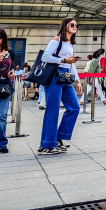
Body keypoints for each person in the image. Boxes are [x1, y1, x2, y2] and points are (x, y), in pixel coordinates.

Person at [38, 18, 83, 155]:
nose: (75, 26)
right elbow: (45, 57)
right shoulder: (57, 40)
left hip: (66, 76)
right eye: (72, 24)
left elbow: (71, 63)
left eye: (76, 25)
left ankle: (58, 138)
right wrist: (63, 60)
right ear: (65, 26)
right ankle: (46, 145)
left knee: (74, 107)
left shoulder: (70, 43)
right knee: (52, 109)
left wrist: (77, 80)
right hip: (54, 76)